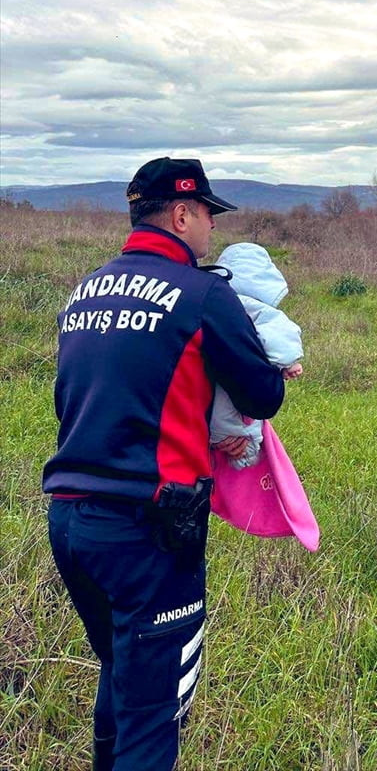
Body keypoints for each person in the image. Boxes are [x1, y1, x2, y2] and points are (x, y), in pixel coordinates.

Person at [43, 157, 285, 771]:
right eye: (207, 215)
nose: (210, 230)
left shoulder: (85, 291)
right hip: (149, 533)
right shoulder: (204, 293)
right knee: (155, 716)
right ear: (182, 214)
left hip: (70, 524)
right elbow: (263, 395)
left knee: (123, 675)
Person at [208, 241, 304, 469]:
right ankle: (247, 460)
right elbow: (279, 334)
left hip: (211, 387)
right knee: (244, 426)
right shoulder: (256, 307)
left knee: (221, 414)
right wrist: (288, 361)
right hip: (242, 389)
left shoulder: (213, 300)